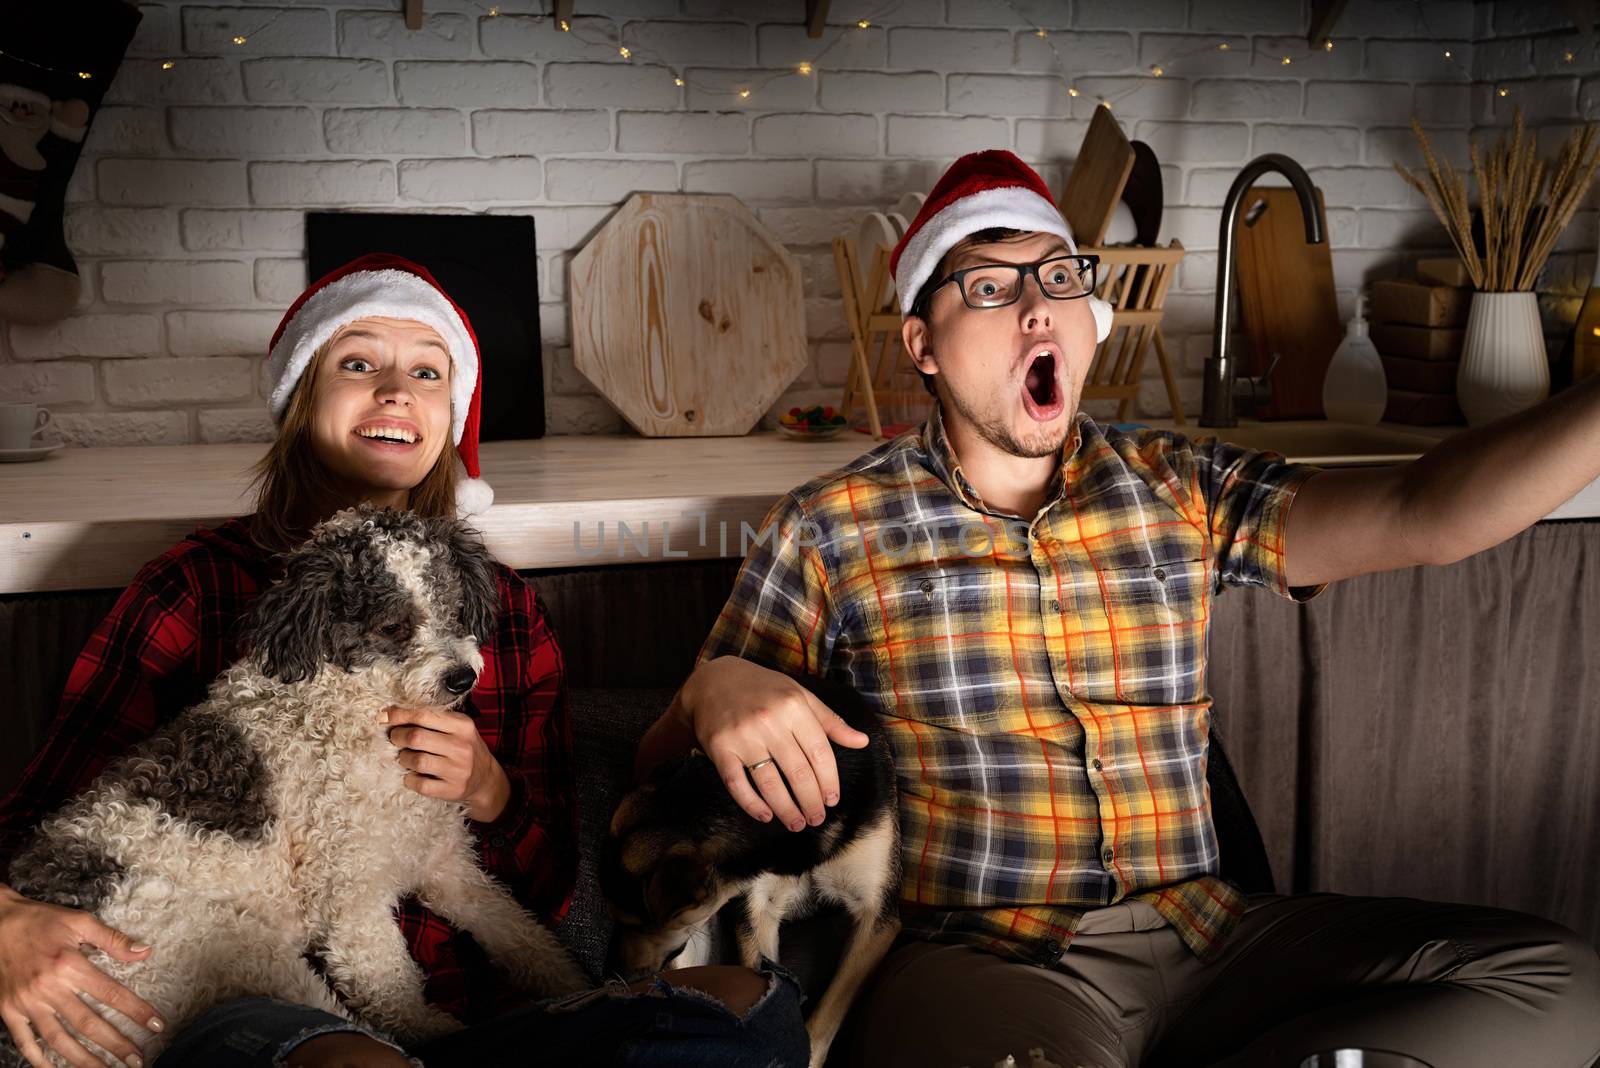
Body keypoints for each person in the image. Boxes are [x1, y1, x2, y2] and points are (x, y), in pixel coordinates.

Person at [636, 151, 1600, 1067]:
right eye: (990, 286)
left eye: (1059, 280)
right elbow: (662, 775)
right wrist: (713, 687)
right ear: (920, 345)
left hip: (1214, 938)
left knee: (1558, 987)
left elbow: (1419, 511)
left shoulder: (1177, 483)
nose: (1037, 310)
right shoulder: (831, 527)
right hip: (988, 959)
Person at [0, 254, 806, 1068]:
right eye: (358, 362)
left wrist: (494, 796)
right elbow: (51, 820)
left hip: (483, 1017)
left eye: (427, 371)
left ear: (449, 417)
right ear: (300, 398)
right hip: (272, 1007)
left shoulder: (503, 608)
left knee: (752, 1010)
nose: (395, 390)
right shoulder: (194, 588)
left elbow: (564, 885)